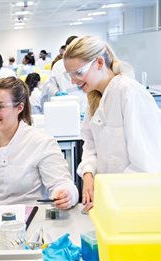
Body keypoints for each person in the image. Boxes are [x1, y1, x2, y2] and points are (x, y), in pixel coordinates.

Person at [63, 36, 161, 212]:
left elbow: (145, 164)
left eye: (78, 73)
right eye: (69, 75)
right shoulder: (95, 97)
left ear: (99, 63)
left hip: (133, 203)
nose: (73, 81)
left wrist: (110, 197)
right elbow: (90, 143)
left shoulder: (128, 91)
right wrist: (88, 173)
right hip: (111, 201)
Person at [0, 77, 79, 209]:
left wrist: (66, 194)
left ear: (19, 107)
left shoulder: (41, 142)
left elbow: (62, 183)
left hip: (29, 219)